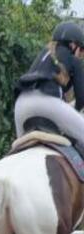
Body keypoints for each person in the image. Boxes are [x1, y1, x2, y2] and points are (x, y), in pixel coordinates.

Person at [14, 21, 84, 149]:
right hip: (48, 104)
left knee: (19, 149)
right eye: (82, 50)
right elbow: (81, 99)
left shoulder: (43, 54)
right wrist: (72, 113)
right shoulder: (74, 60)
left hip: (21, 106)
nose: (82, 55)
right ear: (73, 45)